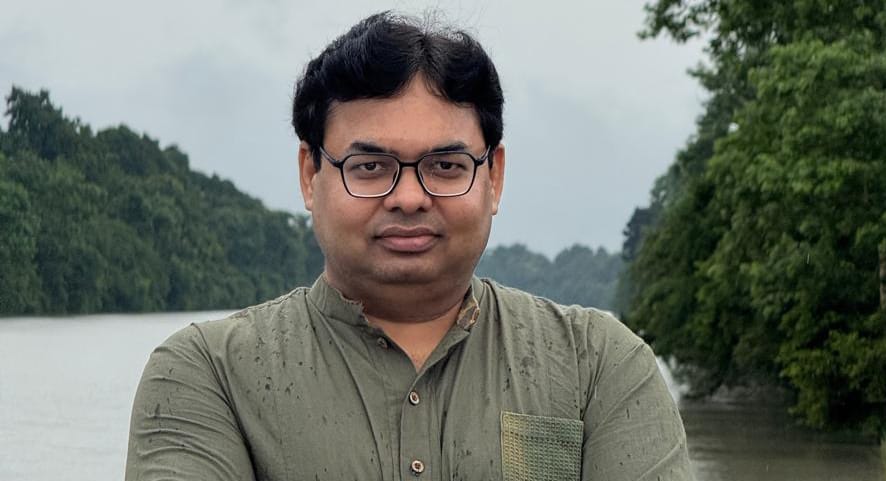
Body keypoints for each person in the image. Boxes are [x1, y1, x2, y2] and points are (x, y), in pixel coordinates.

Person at [125, 11, 694, 481]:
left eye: (445, 166)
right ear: (310, 174)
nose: (409, 197)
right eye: (370, 166)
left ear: (493, 177)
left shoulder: (599, 366)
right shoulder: (209, 374)